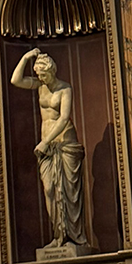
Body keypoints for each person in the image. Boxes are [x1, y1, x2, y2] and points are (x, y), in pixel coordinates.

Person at [11, 47, 89, 252]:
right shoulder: (39, 86)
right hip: (46, 147)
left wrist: (45, 141)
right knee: (49, 190)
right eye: (38, 75)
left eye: (43, 74)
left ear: (52, 71)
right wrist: (25, 57)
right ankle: (58, 235)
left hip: (64, 144)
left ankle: (73, 237)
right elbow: (15, 80)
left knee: (68, 191)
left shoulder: (65, 89)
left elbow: (63, 118)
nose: (40, 78)